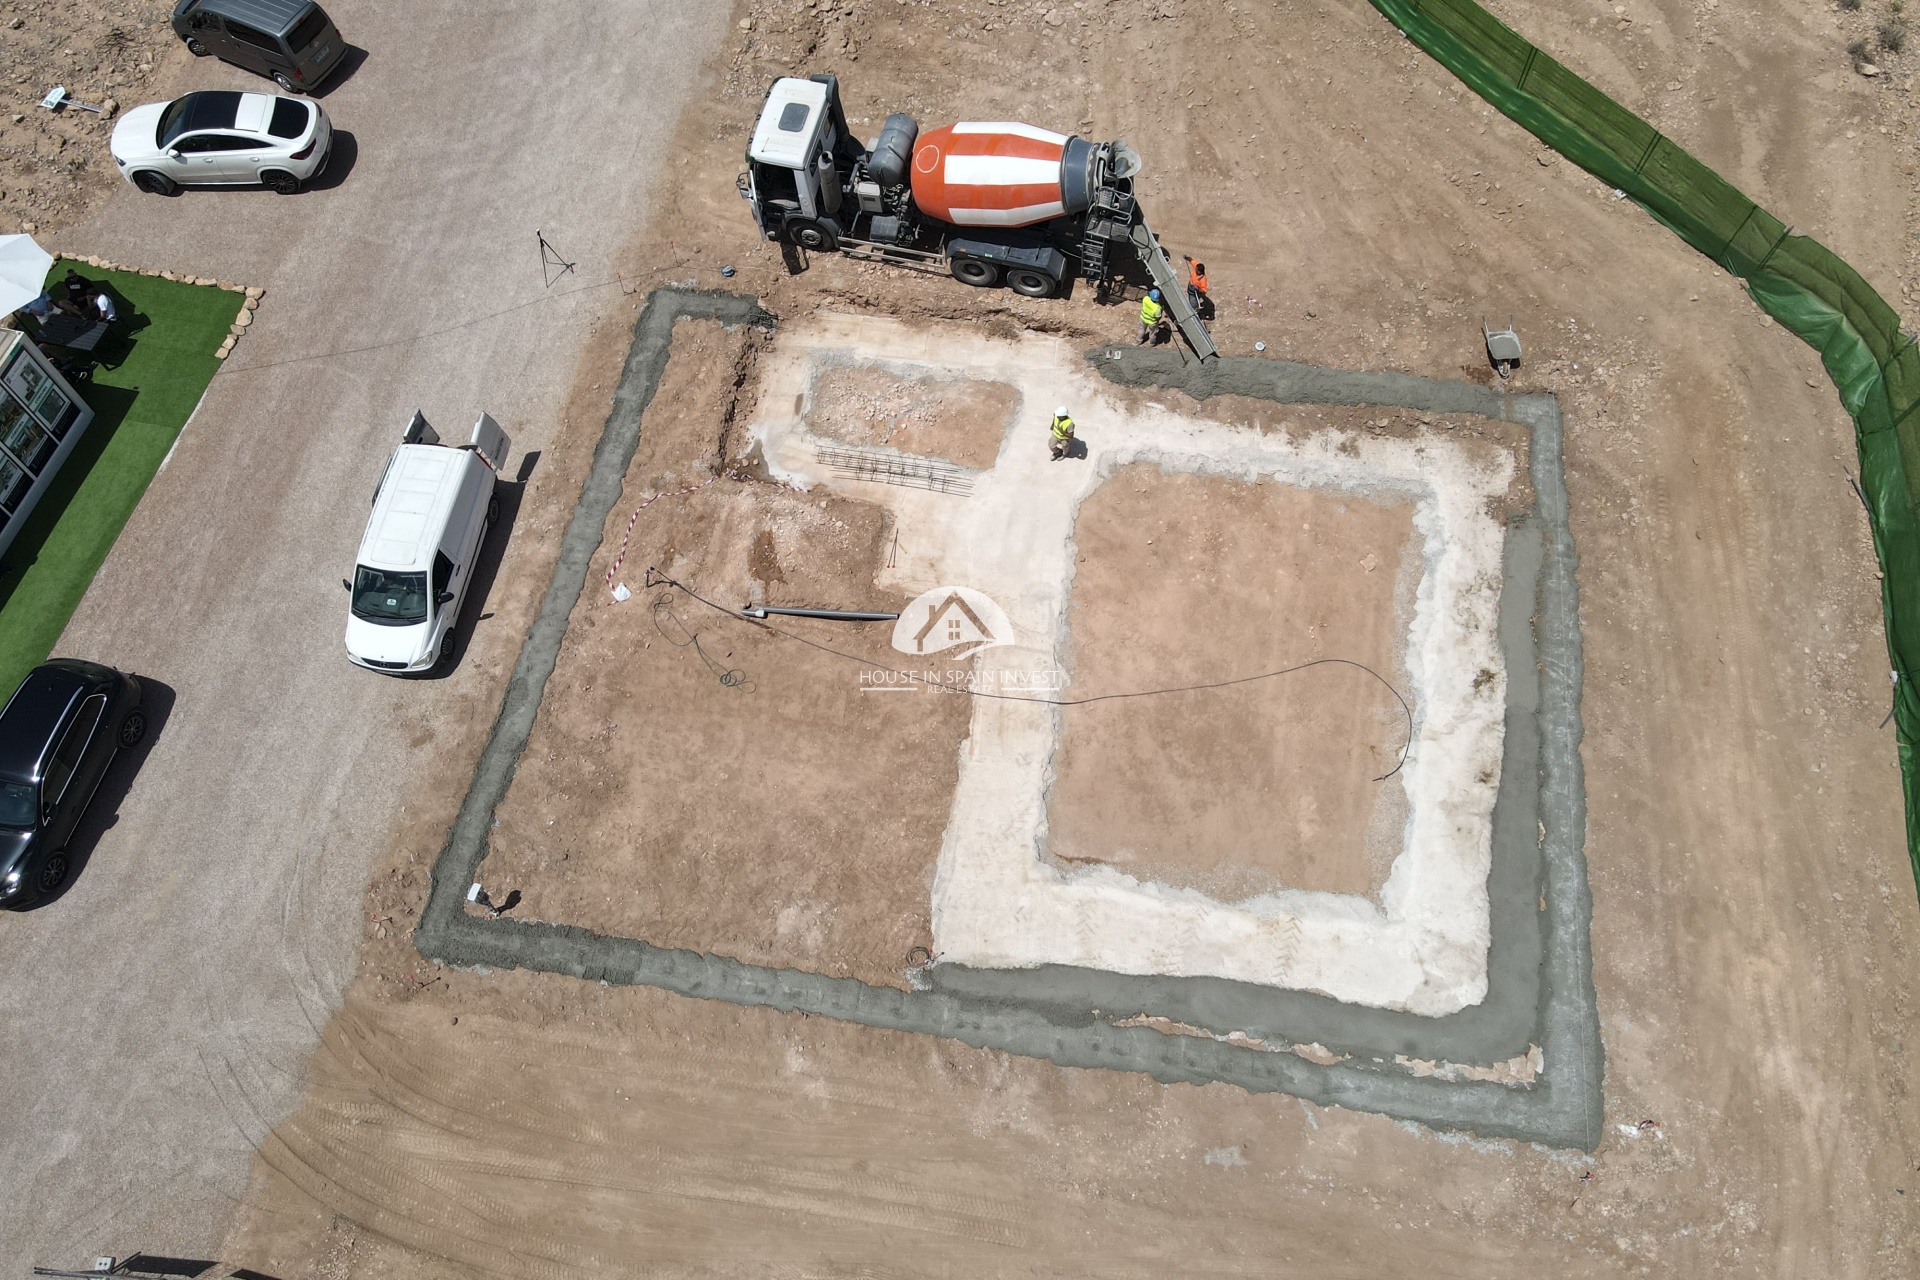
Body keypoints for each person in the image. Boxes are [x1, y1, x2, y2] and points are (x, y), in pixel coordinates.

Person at [1183, 254, 1212, 320]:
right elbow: (1191, 261)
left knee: (1193, 304)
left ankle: (1194, 314)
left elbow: (1204, 290)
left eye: (1196, 270)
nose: (1195, 270)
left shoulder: (1203, 279)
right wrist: (1187, 258)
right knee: (1190, 296)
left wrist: (1198, 289)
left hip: (1195, 292)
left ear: (1199, 271)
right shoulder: (1197, 266)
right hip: (1190, 287)